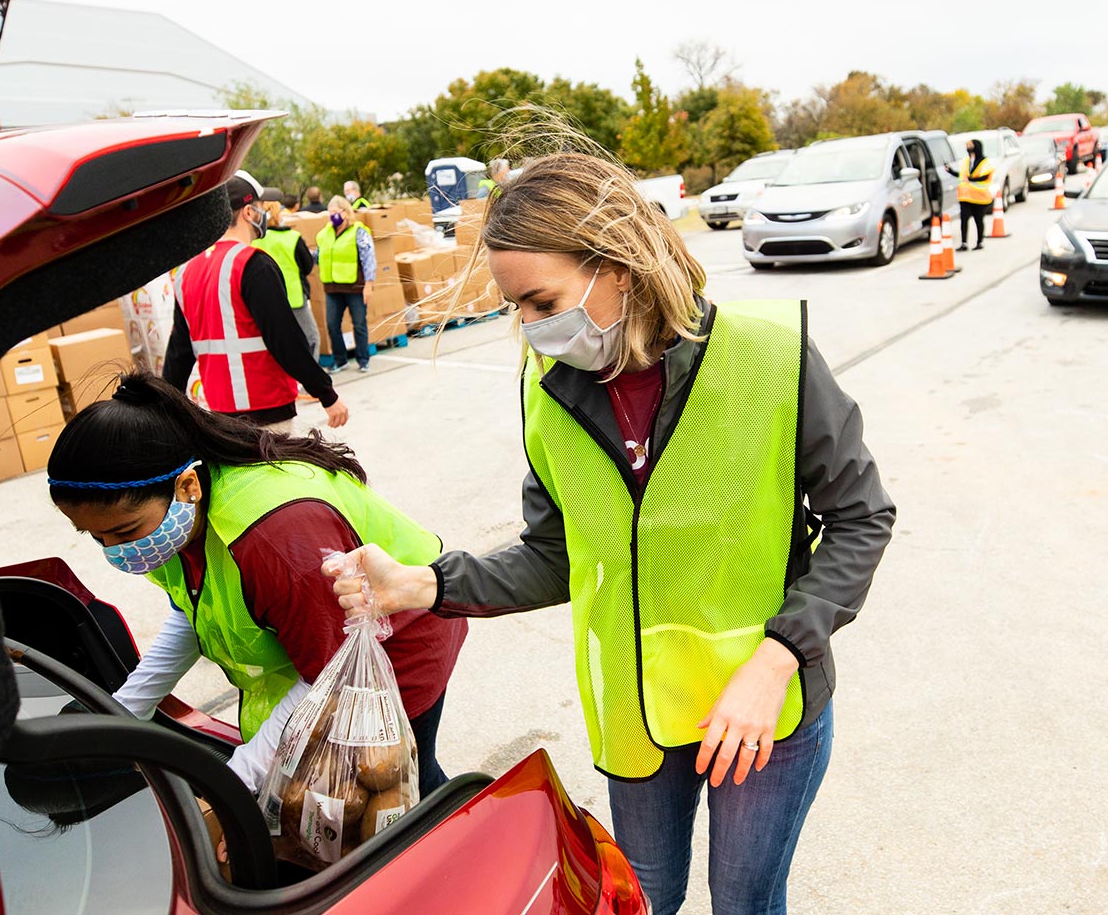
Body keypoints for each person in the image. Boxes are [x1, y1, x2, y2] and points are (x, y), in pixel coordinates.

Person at [327, 150, 895, 913]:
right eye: (515, 308)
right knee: (638, 896)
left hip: (764, 709)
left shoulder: (770, 359)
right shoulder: (549, 395)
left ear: (617, 268)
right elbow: (556, 553)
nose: (529, 329)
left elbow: (862, 515)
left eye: (540, 300)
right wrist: (426, 584)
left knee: (744, 901)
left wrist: (779, 657)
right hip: (635, 710)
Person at [45, 371, 468, 801]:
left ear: (187, 485)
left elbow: (329, 678)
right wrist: (129, 707)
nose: (115, 549)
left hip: (394, 647)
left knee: (399, 788)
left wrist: (238, 781)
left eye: (124, 530)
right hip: (325, 650)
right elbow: (194, 611)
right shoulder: (178, 521)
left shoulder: (275, 540)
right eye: (95, 536)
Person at [164, 171, 347, 432]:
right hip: (267, 409)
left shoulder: (187, 272)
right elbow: (285, 339)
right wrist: (327, 394)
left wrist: (166, 411)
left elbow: (178, 354)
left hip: (220, 412)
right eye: (260, 208)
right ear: (249, 213)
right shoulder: (253, 264)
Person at [252, 199, 320, 364]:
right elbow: (308, 264)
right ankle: (310, 378)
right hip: (295, 296)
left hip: (269, 300)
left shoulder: (255, 241)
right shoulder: (293, 237)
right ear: (277, 215)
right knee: (311, 337)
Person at [316, 195, 376, 374]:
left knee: (358, 323)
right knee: (332, 325)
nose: (332, 216)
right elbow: (319, 256)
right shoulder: (324, 234)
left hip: (354, 286)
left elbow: (368, 258)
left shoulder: (358, 231)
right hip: (332, 287)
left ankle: (363, 359)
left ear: (345, 212)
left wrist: (369, 284)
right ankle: (340, 360)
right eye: (330, 213)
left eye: (335, 212)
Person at [946, 138, 995, 251]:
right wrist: (951, 171)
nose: (968, 149)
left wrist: (971, 179)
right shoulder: (966, 161)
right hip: (965, 197)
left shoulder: (985, 162)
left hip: (979, 197)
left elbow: (985, 176)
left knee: (978, 220)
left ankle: (979, 242)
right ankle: (964, 243)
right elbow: (962, 175)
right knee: (964, 220)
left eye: (970, 146)